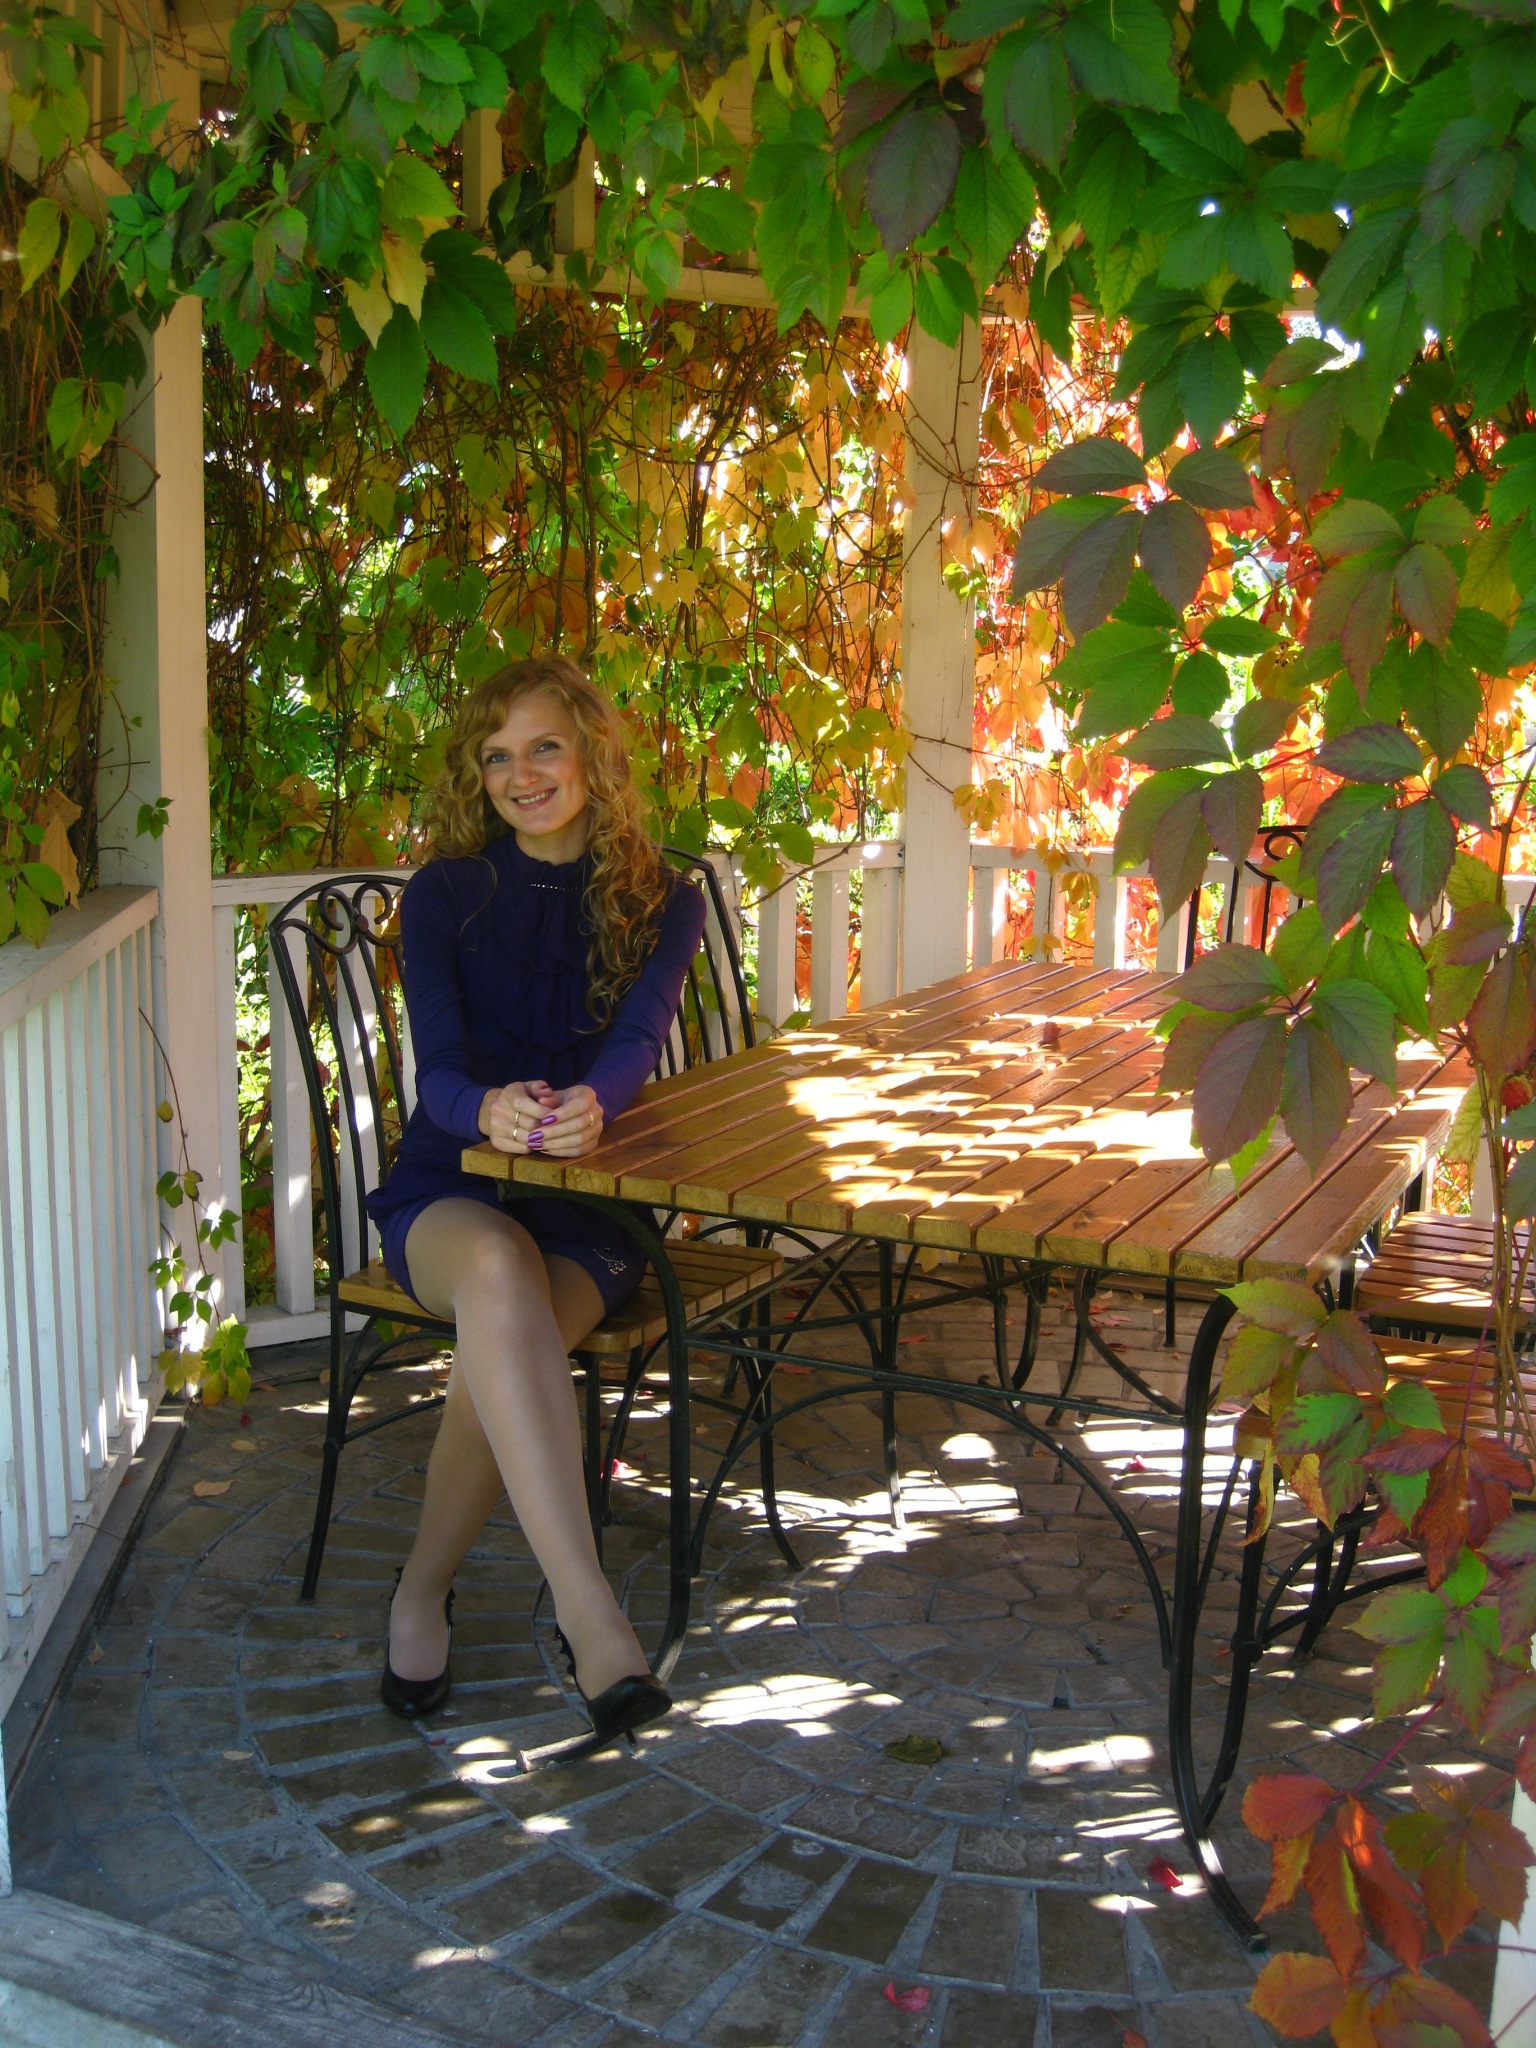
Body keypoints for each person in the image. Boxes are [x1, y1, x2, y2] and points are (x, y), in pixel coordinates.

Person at [365, 654, 706, 1749]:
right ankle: (589, 1611)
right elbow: (437, 1068)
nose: (522, 774)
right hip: (455, 1184)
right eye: (497, 755)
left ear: (592, 752)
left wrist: (594, 1107)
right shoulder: (446, 893)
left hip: (588, 1196)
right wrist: (485, 1110)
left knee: (497, 1351)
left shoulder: (667, 899)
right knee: (496, 1273)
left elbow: (637, 1040)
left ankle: (421, 1593)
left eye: (544, 745)